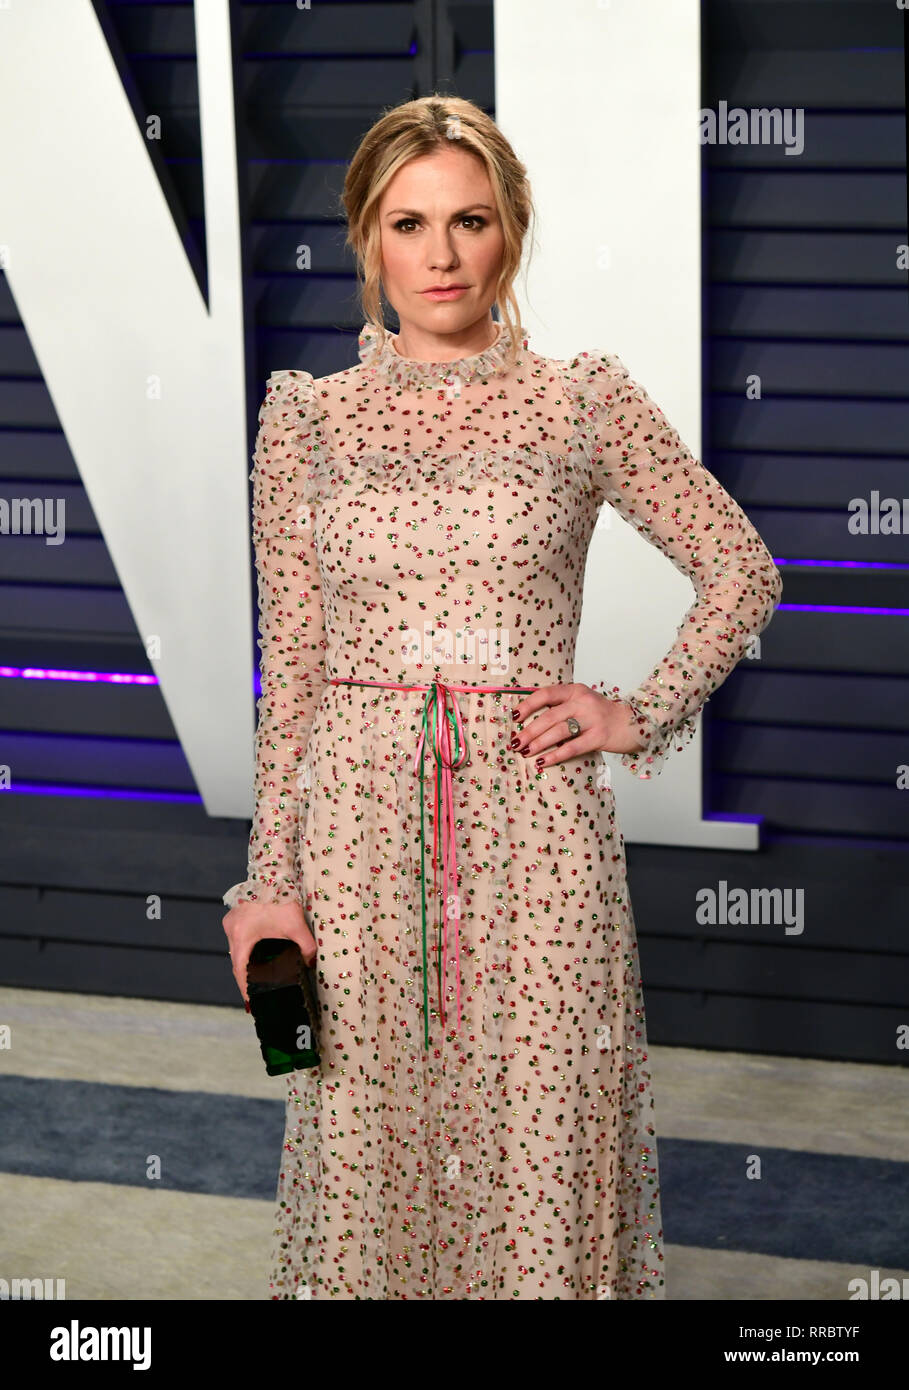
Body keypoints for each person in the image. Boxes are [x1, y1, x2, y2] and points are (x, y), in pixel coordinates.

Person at [222, 93, 783, 1301]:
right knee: (369, 1146)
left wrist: (642, 707)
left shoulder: (580, 399)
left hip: (536, 833)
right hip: (357, 837)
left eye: (469, 220)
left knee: (543, 1135)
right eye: (408, 222)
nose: (440, 253)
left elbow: (742, 567)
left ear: (510, 232)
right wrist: (270, 882)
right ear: (370, 236)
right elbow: (297, 672)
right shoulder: (307, 422)